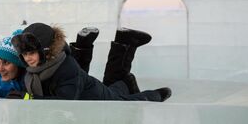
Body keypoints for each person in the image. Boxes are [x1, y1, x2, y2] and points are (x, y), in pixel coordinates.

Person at [10, 22, 171, 101]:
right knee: (117, 86)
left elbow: (65, 102)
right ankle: (89, 46)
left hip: (98, 99)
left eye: (31, 52)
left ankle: (156, 95)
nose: (27, 58)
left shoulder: (66, 68)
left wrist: (28, 98)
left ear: (46, 50)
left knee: (124, 103)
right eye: (24, 54)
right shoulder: (33, 70)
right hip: (89, 92)